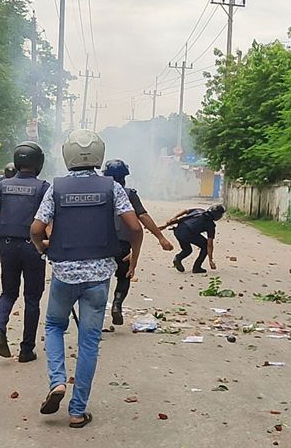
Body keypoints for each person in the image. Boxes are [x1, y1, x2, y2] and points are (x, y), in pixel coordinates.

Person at [31, 129, 143, 428]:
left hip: (64, 273)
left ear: (68, 155)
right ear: (99, 154)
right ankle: (78, 411)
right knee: (89, 342)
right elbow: (134, 227)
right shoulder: (113, 188)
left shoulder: (56, 188)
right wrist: (135, 256)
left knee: (55, 325)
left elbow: (35, 229)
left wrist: (43, 249)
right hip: (99, 277)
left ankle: (57, 381)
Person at [0, 142, 50, 361]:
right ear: (38, 162)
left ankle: (0, 328)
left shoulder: (3, 186)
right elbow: (48, 221)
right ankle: (26, 349)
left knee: (8, 292)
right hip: (33, 247)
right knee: (32, 298)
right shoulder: (43, 187)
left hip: (7, 246)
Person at [102, 159, 174, 325]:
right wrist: (161, 238)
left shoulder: (98, 192)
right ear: (125, 177)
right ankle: (117, 305)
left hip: (100, 246)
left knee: (99, 281)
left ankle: (95, 315)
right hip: (123, 246)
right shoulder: (129, 194)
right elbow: (142, 216)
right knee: (124, 277)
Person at [160, 204, 224, 274]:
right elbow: (209, 244)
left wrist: (172, 220)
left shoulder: (199, 210)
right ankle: (197, 267)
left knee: (187, 250)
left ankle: (178, 258)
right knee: (205, 246)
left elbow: (185, 211)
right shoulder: (210, 225)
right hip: (187, 234)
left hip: (178, 231)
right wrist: (210, 260)